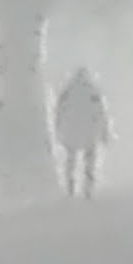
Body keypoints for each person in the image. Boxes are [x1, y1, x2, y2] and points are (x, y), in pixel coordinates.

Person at [54, 65, 111, 200]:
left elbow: (58, 112)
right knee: (90, 159)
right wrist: (104, 132)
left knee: (71, 159)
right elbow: (100, 113)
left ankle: (70, 187)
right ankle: (88, 187)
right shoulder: (93, 92)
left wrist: (58, 129)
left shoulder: (67, 92)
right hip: (89, 132)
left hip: (71, 130)